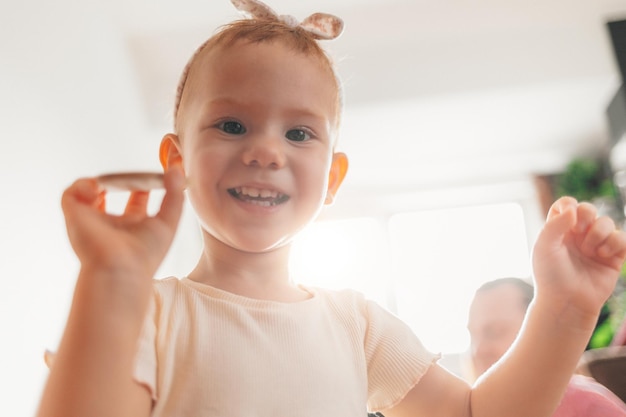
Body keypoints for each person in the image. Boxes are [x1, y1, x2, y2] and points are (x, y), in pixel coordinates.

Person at [35, 0, 626, 416]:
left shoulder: (357, 326)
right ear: (177, 160)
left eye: (299, 134)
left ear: (333, 177)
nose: (266, 151)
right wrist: (112, 277)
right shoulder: (149, 313)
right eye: (232, 124)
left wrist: (566, 309)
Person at [467, 277, 626, 416]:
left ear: (538, 333)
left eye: (495, 332)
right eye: (473, 336)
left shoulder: (585, 404)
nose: (478, 351)